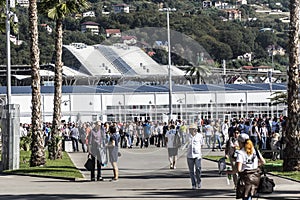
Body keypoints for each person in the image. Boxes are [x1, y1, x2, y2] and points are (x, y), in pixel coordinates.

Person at [235, 133, 266, 200]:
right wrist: (255, 165)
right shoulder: (254, 150)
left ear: (240, 142)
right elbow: (263, 161)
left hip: (246, 178)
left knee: (246, 196)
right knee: (249, 195)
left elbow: (239, 169)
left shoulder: (240, 153)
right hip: (255, 177)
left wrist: (230, 171)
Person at [186, 124, 204, 190]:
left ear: (195, 129)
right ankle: (193, 184)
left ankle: (199, 181)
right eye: (190, 129)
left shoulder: (200, 136)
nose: (190, 130)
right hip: (189, 155)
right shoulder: (187, 136)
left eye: (192, 129)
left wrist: (198, 150)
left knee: (198, 169)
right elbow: (185, 143)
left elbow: (202, 144)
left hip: (197, 155)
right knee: (191, 171)